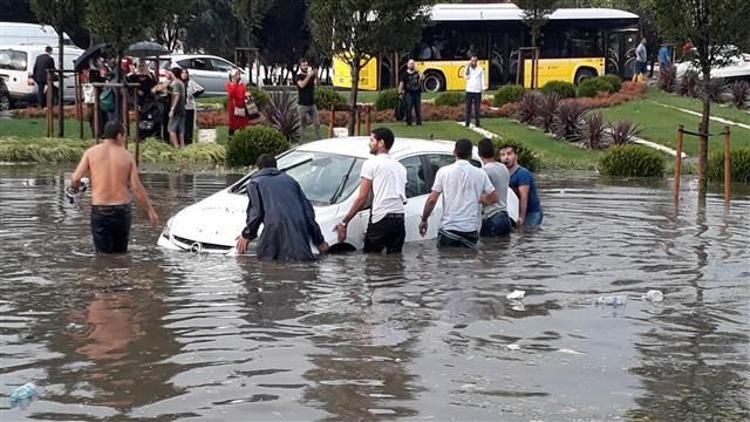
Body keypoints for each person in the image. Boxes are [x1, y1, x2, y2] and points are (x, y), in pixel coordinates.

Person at [69, 121, 159, 254]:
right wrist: (150, 211)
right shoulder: (127, 156)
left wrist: (75, 188)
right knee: (121, 253)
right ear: (118, 136)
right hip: (122, 210)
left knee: (102, 255)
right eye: (124, 136)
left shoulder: (91, 153)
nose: (124, 139)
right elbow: (136, 187)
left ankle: (103, 273)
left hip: (100, 209)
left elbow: (75, 178)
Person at [235, 154, 329, 261]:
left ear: (258, 168)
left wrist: (247, 235)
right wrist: (319, 241)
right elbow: (308, 213)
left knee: (268, 267)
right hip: (299, 232)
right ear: (276, 166)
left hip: (273, 232)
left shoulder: (255, 183)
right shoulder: (291, 181)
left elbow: (256, 213)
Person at [334, 128, 407, 254]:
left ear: (381, 143)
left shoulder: (371, 164)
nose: (369, 143)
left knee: (371, 262)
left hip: (380, 219)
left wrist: (344, 222)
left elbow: (362, 197)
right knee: (395, 263)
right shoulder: (400, 167)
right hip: (399, 219)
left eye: (372, 140)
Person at [419, 139, 497, 248]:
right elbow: (494, 197)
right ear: (470, 155)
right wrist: (477, 199)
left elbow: (432, 200)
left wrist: (424, 219)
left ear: (454, 152)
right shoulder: (481, 174)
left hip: (448, 230)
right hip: (470, 231)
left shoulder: (443, 172)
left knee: (447, 263)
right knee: (469, 263)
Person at [499, 144, 543, 229]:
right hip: (516, 210)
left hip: (532, 212)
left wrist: (521, 217)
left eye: (509, 154)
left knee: (526, 234)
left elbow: (524, 197)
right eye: (503, 155)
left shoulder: (522, 174)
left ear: (516, 156)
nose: (506, 157)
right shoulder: (502, 174)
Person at [477, 138, 511, 237]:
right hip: (505, 217)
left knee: (488, 250)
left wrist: (478, 198)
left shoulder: (483, 172)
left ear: (480, 154)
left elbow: (491, 197)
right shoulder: (503, 168)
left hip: (492, 218)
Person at [296, 58, 321, 138]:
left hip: (312, 104)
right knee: (302, 125)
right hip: (302, 105)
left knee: (317, 123)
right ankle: (301, 141)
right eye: (304, 65)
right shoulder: (298, 76)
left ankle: (319, 139)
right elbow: (302, 85)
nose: (306, 67)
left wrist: (316, 76)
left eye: (306, 65)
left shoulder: (311, 76)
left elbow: (318, 84)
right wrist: (309, 76)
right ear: (300, 66)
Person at [181, 69, 204, 145]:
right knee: (182, 125)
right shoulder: (179, 83)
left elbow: (201, 89)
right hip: (181, 107)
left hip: (189, 106)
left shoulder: (190, 83)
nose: (184, 74)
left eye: (186, 73)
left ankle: (189, 141)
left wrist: (193, 95)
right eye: (183, 73)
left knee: (189, 125)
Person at [225, 68, 250, 136]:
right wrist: (234, 84)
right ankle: (231, 137)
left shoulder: (242, 85)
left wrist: (247, 95)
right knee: (233, 124)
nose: (238, 76)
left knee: (242, 124)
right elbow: (231, 94)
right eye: (237, 74)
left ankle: (242, 138)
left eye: (239, 74)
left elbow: (244, 93)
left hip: (241, 106)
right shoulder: (229, 85)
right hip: (233, 107)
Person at [167, 67, 187, 148]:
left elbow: (177, 96)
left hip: (177, 109)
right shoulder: (181, 83)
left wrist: (172, 109)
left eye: (171, 72)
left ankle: (176, 146)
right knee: (181, 129)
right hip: (182, 108)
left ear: (173, 73)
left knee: (171, 129)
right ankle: (182, 145)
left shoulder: (176, 83)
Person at [398, 59, 422, 126]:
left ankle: (419, 122)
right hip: (408, 93)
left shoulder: (418, 73)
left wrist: (421, 75)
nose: (412, 65)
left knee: (418, 109)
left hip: (417, 93)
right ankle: (409, 122)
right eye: (410, 64)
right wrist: (399, 93)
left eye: (413, 64)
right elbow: (401, 84)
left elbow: (422, 78)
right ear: (407, 65)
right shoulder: (404, 74)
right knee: (408, 109)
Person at [464, 55, 483, 128]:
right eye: (472, 60)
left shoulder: (480, 69)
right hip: (469, 90)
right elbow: (466, 77)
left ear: (477, 61)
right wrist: (468, 68)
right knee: (468, 108)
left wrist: (483, 89)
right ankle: (467, 123)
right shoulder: (467, 68)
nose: (473, 62)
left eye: (475, 61)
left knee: (477, 108)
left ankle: (477, 123)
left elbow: (482, 79)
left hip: (477, 90)